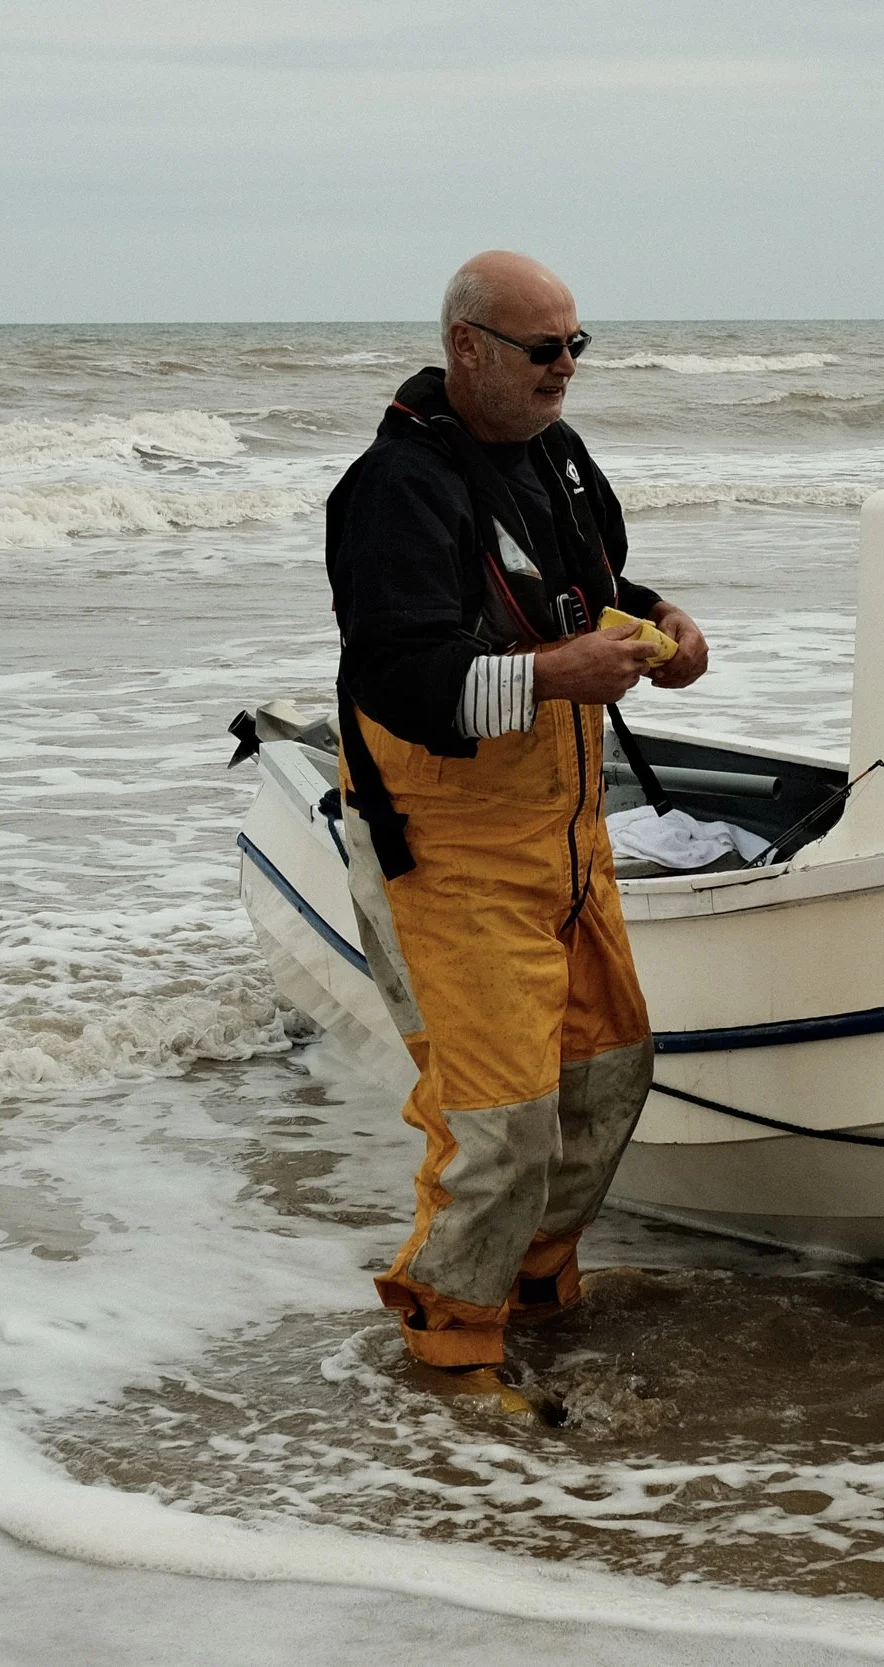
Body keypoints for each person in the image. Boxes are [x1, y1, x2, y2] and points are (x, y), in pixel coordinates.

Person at [323, 250, 710, 1395]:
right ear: (469, 349)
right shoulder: (391, 491)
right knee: (501, 1124)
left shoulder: (561, 458)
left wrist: (663, 625)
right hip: (448, 846)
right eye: (544, 349)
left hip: (567, 833)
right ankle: (446, 1349)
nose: (565, 370)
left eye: (576, 345)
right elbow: (397, 675)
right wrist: (557, 674)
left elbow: (593, 593)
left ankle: (535, 1292)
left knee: (607, 1080)